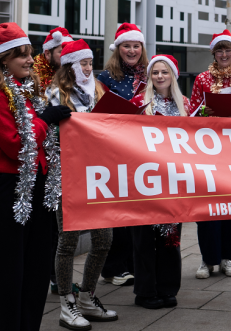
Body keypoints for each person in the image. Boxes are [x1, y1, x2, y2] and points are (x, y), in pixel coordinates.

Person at [0, 22, 71, 331]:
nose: (31, 60)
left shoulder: (28, 91)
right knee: (6, 273)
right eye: (22, 55)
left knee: (34, 271)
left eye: (30, 54)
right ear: (3, 59)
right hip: (6, 191)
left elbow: (41, 140)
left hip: (36, 187)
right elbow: (18, 145)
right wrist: (45, 119)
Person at [45, 39, 117, 330]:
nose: (89, 68)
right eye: (84, 63)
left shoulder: (99, 90)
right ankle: (66, 304)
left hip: (97, 175)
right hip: (69, 175)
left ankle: (87, 296)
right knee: (68, 241)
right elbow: (47, 135)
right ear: (71, 66)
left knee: (104, 238)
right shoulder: (55, 93)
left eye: (90, 63)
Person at [189, 29, 231, 279]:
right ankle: (207, 260)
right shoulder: (202, 80)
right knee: (206, 207)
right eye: (220, 49)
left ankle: (227, 257)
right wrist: (205, 114)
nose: (224, 54)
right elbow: (193, 114)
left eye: (228, 49)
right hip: (208, 150)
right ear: (213, 53)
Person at [130, 55, 189, 309]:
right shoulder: (138, 103)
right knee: (144, 237)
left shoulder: (185, 104)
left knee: (171, 237)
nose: (160, 77)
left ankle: (167, 287)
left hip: (174, 180)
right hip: (144, 179)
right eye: (155, 73)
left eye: (165, 72)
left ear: (173, 76)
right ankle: (145, 291)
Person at [97, 22, 149, 287]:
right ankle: (113, 267)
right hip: (114, 151)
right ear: (118, 49)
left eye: (136, 45)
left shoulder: (151, 75)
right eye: (127, 46)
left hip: (142, 151)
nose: (132, 50)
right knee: (117, 211)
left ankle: (132, 265)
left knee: (137, 210)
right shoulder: (105, 78)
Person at [31, 26, 74, 295]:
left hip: (62, 158)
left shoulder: (68, 77)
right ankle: (46, 276)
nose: (66, 54)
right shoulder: (34, 77)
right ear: (49, 53)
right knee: (45, 224)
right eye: (62, 50)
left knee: (58, 226)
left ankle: (56, 277)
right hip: (41, 159)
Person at [33, 27, 73, 94]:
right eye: (62, 52)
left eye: (69, 52)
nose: (67, 56)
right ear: (47, 54)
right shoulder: (33, 81)